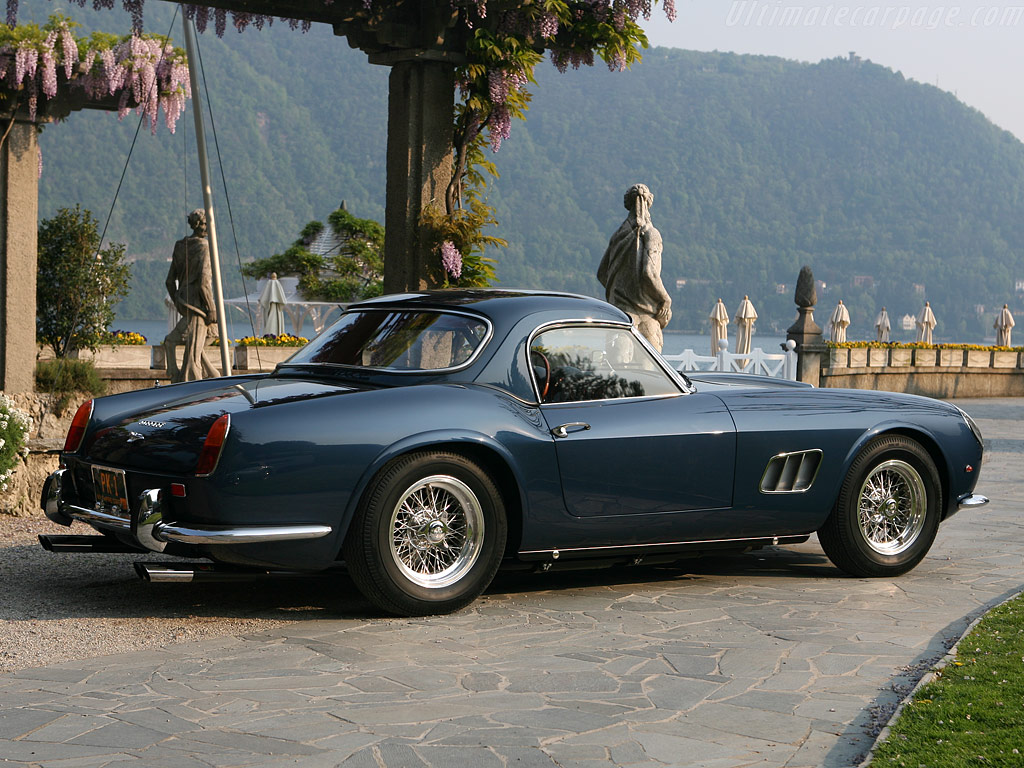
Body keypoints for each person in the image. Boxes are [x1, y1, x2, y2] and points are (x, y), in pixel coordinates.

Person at [597, 183, 672, 351]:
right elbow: (649, 273)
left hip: (619, 319)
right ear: (649, 202)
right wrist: (665, 300)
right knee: (650, 366)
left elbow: (602, 274)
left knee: (616, 367)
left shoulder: (618, 236)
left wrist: (619, 292)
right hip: (646, 321)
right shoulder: (652, 234)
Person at [163, 209, 219, 382]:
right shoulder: (204, 247)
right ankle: (190, 381)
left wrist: (178, 301)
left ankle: (179, 372)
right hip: (198, 303)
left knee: (210, 334)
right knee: (193, 354)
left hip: (184, 299)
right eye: (205, 224)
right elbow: (203, 283)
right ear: (197, 225)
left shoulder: (180, 246)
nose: (208, 228)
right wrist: (211, 308)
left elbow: (169, 282)